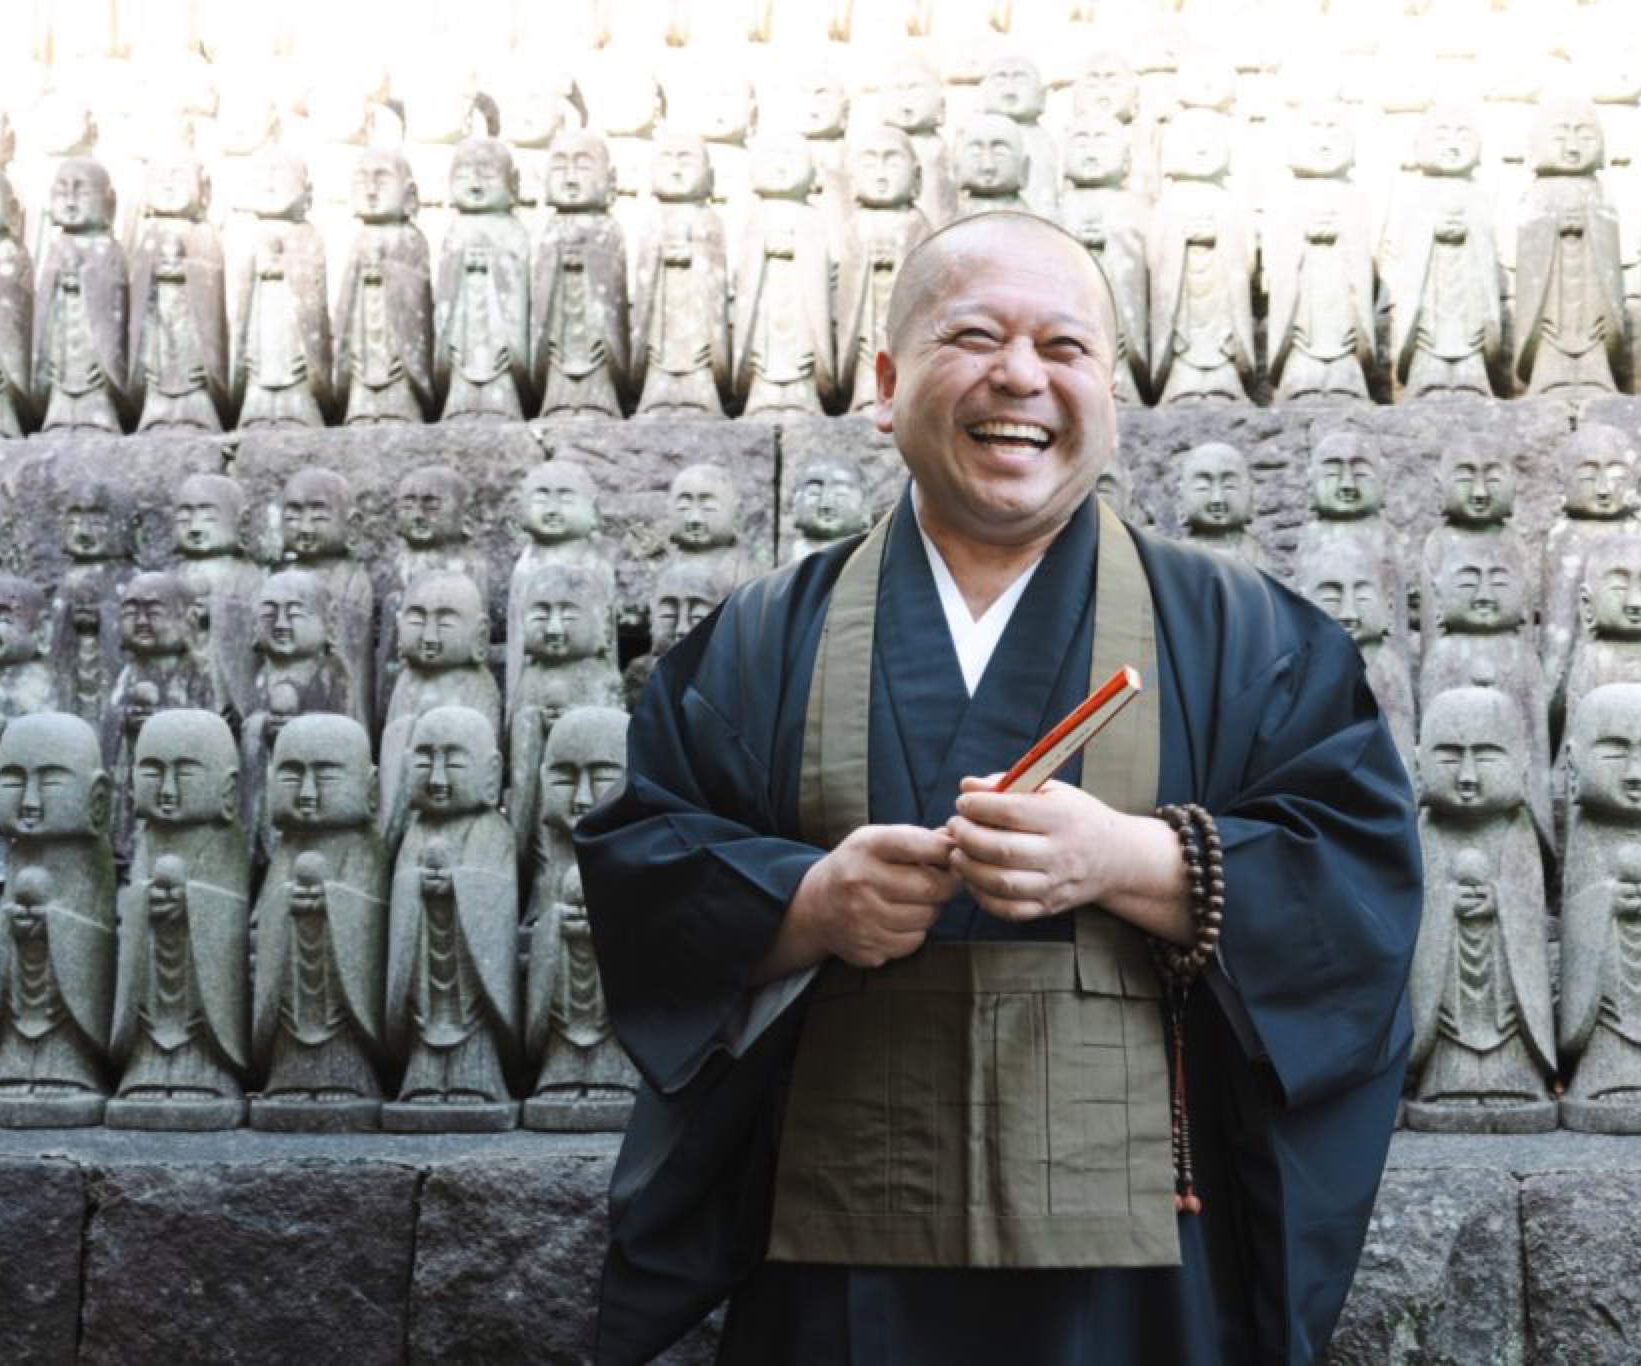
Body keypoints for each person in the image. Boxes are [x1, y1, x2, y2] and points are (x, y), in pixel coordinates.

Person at [576, 212, 1421, 1364]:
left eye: (1063, 348)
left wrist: (1135, 862)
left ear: (1110, 393)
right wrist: (810, 902)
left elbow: (1358, 887)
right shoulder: (762, 643)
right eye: (973, 336)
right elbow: (645, 870)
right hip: (839, 1251)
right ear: (886, 383)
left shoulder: (1243, 635)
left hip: (1141, 1275)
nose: (1019, 375)